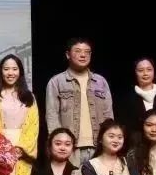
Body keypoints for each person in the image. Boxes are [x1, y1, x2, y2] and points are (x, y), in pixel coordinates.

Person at [45, 38, 113, 166]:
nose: (83, 55)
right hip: (70, 149)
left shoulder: (100, 81)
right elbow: (52, 116)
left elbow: (109, 115)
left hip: (98, 147)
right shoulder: (57, 82)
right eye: (78, 51)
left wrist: (109, 142)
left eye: (87, 52)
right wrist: (59, 144)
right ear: (68, 54)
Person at [116, 57, 156, 145]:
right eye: (141, 70)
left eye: (149, 70)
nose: (145, 73)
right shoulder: (127, 99)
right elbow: (125, 127)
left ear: (154, 72)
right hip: (136, 146)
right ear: (135, 73)